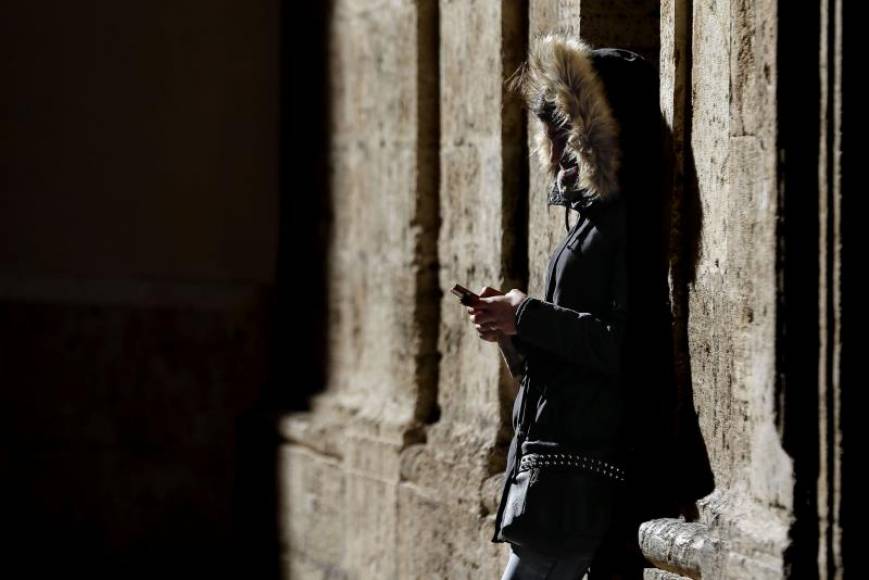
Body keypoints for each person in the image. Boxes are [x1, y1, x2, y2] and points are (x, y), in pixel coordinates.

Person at [465, 29, 663, 579]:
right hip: (550, 468)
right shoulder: (587, 226)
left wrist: (524, 312)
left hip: (575, 476)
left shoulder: (619, 227)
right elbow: (564, 360)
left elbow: (619, 346)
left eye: (562, 127)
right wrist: (510, 328)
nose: (552, 145)